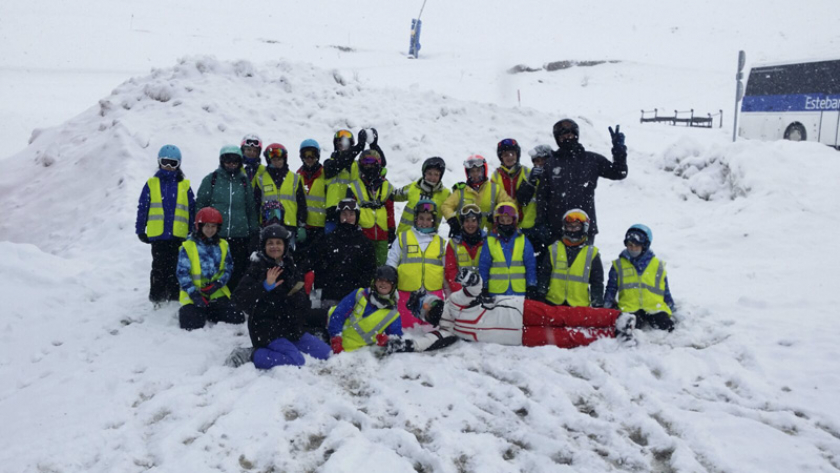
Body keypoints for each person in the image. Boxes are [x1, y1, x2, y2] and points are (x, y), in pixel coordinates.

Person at [408, 269, 635, 348]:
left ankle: (616, 318)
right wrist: (405, 345)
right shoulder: (446, 331)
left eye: (429, 302)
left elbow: (475, 287)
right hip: (518, 336)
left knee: (564, 315)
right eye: (425, 310)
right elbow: (425, 342)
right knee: (566, 338)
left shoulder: (454, 301)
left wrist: (470, 277)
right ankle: (612, 334)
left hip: (518, 310)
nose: (430, 308)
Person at [229, 224, 331, 369]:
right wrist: (264, 286)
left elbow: (302, 300)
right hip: (266, 330)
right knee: (296, 360)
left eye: (278, 243)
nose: (274, 246)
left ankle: (288, 346)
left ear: (285, 245)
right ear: (264, 246)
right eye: (270, 243)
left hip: (290, 327)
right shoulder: (257, 268)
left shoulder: (290, 265)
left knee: (326, 353)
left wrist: (297, 297)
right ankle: (250, 355)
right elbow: (238, 300)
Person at [536, 119, 628, 244]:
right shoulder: (551, 163)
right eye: (563, 135)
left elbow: (619, 173)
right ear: (557, 139)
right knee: (557, 263)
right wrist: (541, 223)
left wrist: (619, 151)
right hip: (557, 229)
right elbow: (542, 196)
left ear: (576, 135)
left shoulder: (592, 159)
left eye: (571, 134)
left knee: (583, 263)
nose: (568, 137)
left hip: (585, 228)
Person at [136, 145, 196, 306]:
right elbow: (143, 207)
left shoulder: (184, 185)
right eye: (165, 162)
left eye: (173, 163)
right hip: (158, 235)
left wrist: (193, 230)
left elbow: (191, 209)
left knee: (177, 265)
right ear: (159, 162)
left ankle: (175, 294)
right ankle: (157, 295)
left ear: (179, 164)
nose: (168, 166)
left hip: (179, 234)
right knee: (159, 265)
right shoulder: (152, 183)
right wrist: (140, 229)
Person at [195, 146, 259, 291]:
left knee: (238, 270)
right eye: (227, 160)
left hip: (240, 235)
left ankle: (235, 299)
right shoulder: (212, 179)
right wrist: (199, 228)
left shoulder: (243, 182)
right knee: (217, 268)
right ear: (222, 161)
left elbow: (250, 207)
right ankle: (215, 297)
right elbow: (201, 204)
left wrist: (254, 230)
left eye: (235, 160)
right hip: (217, 234)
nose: (231, 163)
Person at [176, 207, 245, 330]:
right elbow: (182, 273)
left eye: (213, 226)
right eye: (207, 226)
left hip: (215, 292)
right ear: (199, 226)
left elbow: (228, 267)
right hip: (194, 293)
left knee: (237, 317)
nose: (210, 230)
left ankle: (210, 311)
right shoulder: (188, 246)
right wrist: (194, 294)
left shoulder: (223, 245)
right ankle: (198, 311)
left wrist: (218, 284)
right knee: (191, 324)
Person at [386, 199, 446, 327]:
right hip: (408, 293)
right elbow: (392, 260)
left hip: (433, 292)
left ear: (433, 221)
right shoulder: (403, 237)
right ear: (415, 219)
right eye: (421, 218)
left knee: (431, 328)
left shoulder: (440, 242)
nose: (424, 222)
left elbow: (446, 267)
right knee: (409, 330)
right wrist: (390, 282)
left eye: (428, 219)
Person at [604, 224, 676, 331]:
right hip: (630, 307)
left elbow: (665, 289)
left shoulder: (657, 265)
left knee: (666, 326)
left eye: (637, 246)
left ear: (645, 246)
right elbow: (611, 288)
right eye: (630, 245)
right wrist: (606, 306)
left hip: (655, 307)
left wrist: (671, 306)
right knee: (629, 328)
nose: (633, 249)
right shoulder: (619, 265)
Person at [310, 198, 377, 308]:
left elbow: (370, 271)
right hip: (330, 297)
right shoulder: (327, 240)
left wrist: (358, 291)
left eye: (351, 214)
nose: (348, 218)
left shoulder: (365, 243)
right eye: (344, 214)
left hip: (355, 298)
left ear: (356, 217)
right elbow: (317, 266)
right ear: (338, 216)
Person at [327, 266, 404, 354]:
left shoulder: (393, 314)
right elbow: (339, 314)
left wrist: (387, 341)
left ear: (393, 285)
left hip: (354, 352)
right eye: (380, 280)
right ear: (374, 281)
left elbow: (397, 338)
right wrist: (335, 338)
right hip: (328, 333)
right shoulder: (359, 294)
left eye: (388, 281)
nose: (383, 283)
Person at [323, 129, 387, 233]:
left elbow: (379, 165)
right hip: (333, 215)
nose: (341, 143)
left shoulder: (357, 165)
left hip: (353, 215)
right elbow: (341, 162)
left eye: (345, 141)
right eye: (338, 141)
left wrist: (374, 145)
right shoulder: (329, 163)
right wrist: (358, 147)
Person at [537, 209, 605, 307]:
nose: (573, 230)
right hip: (553, 304)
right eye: (569, 226)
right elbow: (544, 274)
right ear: (564, 228)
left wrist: (597, 303)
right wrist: (541, 293)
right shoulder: (554, 249)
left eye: (576, 227)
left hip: (579, 306)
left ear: (584, 228)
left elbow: (597, 282)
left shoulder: (592, 253)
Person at [346, 149, 395, 266]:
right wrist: (351, 229)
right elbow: (350, 211)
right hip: (363, 233)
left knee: (380, 265)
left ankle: (377, 284)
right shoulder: (354, 186)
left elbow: (390, 209)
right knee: (363, 265)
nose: (368, 165)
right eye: (365, 162)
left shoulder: (386, 186)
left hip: (382, 233)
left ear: (378, 163)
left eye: (371, 162)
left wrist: (391, 229)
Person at [441, 155, 512, 236]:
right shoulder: (461, 191)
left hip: (489, 238)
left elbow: (508, 205)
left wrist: (497, 214)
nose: (475, 174)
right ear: (468, 173)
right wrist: (453, 221)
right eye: (472, 171)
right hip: (466, 237)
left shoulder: (494, 189)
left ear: (484, 171)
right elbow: (446, 206)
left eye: (478, 171)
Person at [478, 202, 538, 297]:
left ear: (513, 221)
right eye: (502, 220)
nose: (505, 223)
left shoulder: (523, 240)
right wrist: (483, 287)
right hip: (496, 293)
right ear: (497, 221)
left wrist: (531, 285)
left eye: (508, 220)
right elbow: (484, 266)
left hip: (518, 293)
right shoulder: (490, 241)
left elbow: (530, 265)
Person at [253, 143, 308, 244]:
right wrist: (256, 225)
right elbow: (256, 203)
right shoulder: (261, 179)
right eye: (274, 160)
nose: (276, 162)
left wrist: (302, 225)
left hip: (289, 225)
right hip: (267, 224)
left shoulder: (295, 178)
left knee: (288, 256)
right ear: (269, 161)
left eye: (279, 159)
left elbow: (301, 204)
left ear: (284, 159)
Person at [490, 139, 538, 234]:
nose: (509, 157)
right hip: (505, 223)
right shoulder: (496, 175)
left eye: (512, 153)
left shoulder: (527, 172)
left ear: (517, 155)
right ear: (501, 158)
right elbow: (492, 199)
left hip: (526, 224)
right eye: (505, 155)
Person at [393, 157, 451, 234]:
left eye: (436, 174)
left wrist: (461, 193)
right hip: (404, 237)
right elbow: (393, 195)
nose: (432, 178)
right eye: (429, 173)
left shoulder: (445, 194)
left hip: (427, 240)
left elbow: (458, 211)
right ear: (424, 173)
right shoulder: (414, 187)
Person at [443, 204, 485, 293]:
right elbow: (450, 271)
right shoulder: (454, 243)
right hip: (460, 293)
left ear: (478, 222)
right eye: (466, 221)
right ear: (462, 222)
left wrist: (482, 289)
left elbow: (489, 268)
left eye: (473, 220)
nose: (470, 224)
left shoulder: (486, 242)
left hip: (482, 292)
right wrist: (462, 292)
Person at [296, 139, 327, 252]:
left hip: (321, 228)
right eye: (306, 155)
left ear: (317, 155)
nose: (309, 158)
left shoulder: (325, 174)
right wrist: (299, 225)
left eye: (312, 155)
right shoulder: (297, 175)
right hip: (304, 227)